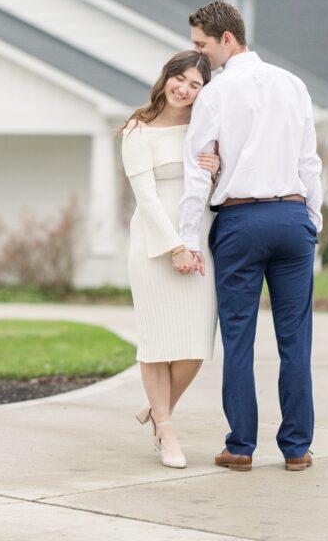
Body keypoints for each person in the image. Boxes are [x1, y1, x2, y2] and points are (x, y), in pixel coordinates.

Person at [176, 0, 323, 473]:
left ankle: (240, 447)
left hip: (240, 223)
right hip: (292, 218)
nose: (199, 55)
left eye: (202, 45)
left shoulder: (215, 95)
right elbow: (309, 163)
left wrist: (189, 238)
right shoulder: (293, 84)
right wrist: (312, 221)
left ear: (227, 39)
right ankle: (297, 449)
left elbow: (198, 170)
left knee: (238, 339)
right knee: (295, 340)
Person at [121, 50, 219, 470]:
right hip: (153, 249)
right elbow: (146, 198)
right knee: (158, 343)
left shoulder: (206, 128)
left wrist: (218, 168)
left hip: (201, 244)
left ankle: (155, 409)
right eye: (180, 78)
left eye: (195, 84)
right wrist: (174, 246)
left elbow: (219, 189)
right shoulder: (136, 131)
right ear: (166, 78)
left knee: (194, 346)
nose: (185, 88)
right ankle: (165, 427)